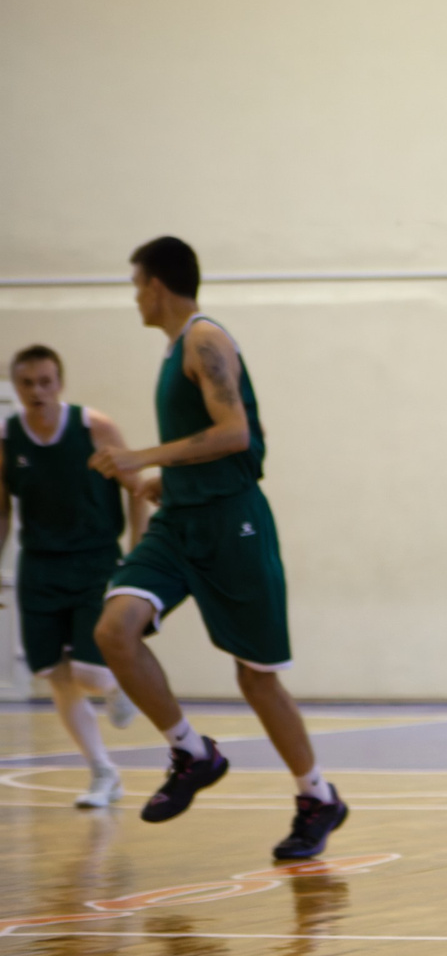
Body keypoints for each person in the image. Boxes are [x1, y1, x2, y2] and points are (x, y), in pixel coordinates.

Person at [91, 237, 350, 861]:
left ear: (156, 285)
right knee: (114, 631)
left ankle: (316, 796)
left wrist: (142, 456)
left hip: (233, 524)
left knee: (257, 680)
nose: (134, 296)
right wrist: (167, 480)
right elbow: (202, 440)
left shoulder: (206, 340)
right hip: (181, 521)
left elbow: (235, 433)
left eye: (136, 284)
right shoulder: (173, 350)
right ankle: (190, 751)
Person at [2, 346, 146, 808]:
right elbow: (1, 508)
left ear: (60, 383)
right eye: (27, 383)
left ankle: (118, 683)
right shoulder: (8, 439)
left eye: (46, 381)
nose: (37, 391)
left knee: (90, 673)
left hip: (95, 558)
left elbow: (138, 486)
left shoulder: (94, 427)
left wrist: (139, 554)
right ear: (15, 387)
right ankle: (103, 773)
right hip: (39, 564)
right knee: (55, 676)